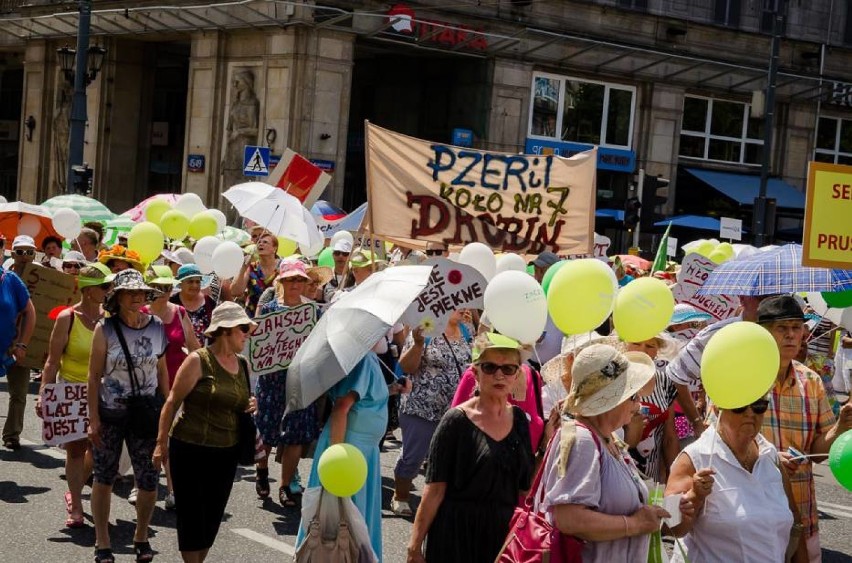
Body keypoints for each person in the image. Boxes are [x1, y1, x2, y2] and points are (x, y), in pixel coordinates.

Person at [533, 343, 684, 563]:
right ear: (611, 400)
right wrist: (635, 524)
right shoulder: (582, 440)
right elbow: (568, 518)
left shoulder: (607, 438)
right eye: (633, 396)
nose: (638, 405)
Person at [407, 333, 534, 563]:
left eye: (508, 369)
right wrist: (414, 548)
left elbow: (525, 487)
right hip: (456, 536)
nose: (499, 375)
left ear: (517, 375)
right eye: (489, 367)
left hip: (501, 538)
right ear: (475, 373)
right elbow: (434, 490)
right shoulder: (455, 421)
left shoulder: (519, 420)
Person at [152, 302, 257, 563]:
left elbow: (241, 399)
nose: (247, 334)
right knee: (191, 516)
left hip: (227, 451)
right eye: (242, 328)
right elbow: (172, 402)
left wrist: (250, 404)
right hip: (190, 448)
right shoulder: (198, 360)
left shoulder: (243, 364)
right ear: (225, 330)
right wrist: (160, 443)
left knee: (212, 517)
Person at [756, 295, 852, 562]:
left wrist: (840, 427)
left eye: (796, 327)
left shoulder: (811, 381)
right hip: (751, 512)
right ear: (762, 332)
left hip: (801, 510)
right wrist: (769, 457)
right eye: (781, 328)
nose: (790, 335)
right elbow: (717, 443)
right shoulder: (743, 374)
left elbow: (819, 454)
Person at [87, 269, 170, 563]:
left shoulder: (157, 326)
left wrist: (167, 411)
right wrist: (92, 417)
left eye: (141, 292)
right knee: (105, 476)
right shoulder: (105, 329)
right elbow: (94, 375)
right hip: (111, 411)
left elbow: (161, 371)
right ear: (118, 297)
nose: (137, 298)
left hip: (146, 412)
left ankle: (141, 536)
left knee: (148, 479)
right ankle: (102, 542)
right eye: (130, 292)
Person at [666, 395, 808, 562]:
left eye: (759, 405)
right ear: (718, 408)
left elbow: (795, 522)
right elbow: (668, 525)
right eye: (739, 406)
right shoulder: (695, 457)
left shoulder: (769, 455)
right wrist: (695, 497)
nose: (750, 413)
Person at [296, 343, 389, 559]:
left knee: (352, 515)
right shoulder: (363, 359)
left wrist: (393, 388)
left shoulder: (369, 357)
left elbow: (365, 398)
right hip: (350, 450)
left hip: (361, 450)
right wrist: (338, 459)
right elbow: (341, 407)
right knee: (342, 516)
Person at [37, 263, 112, 528]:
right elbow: (52, 361)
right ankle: (77, 505)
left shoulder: (110, 319)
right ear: (90, 290)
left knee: (100, 447)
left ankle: (75, 487)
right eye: (105, 286)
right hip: (71, 390)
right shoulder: (66, 318)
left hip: (104, 393)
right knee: (76, 449)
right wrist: (45, 393)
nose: (110, 290)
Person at [391, 310, 472, 516]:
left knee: (451, 458)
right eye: (458, 305)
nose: (464, 309)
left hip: (456, 410)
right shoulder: (425, 328)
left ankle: (442, 501)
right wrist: (418, 344)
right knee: (414, 456)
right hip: (422, 406)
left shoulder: (466, 330)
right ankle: (400, 496)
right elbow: (406, 366)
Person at [254, 260, 320, 505]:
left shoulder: (314, 311)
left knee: (294, 435)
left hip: (300, 382)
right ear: (281, 282)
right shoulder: (269, 309)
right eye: (290, 279)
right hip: (271, 381)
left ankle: (285, 485)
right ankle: (262, 472)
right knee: (266, 431)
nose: (295, 284)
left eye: (300, 279)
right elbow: (257, 343)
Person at [666, 294, 771, 437]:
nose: (769, 302)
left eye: (776, 297)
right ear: (742, 298)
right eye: (761, 298)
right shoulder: (719, 333)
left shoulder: (785, 335)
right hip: (723, 440)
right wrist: (696, 422)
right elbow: (676, 375)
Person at [142, 265, 201, 510]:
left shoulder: (179, 312)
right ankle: (142, 483)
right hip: (146, 384)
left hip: (177, 384)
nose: (163, 292)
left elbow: (194, 346)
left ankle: (174, 489)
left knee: (172, 437)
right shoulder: (141, 313)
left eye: (167, 287)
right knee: (147, 437)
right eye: (158, 287)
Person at [622, 334, 680, 482]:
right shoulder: (616, 381)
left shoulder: (664, 381)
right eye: (636, 343)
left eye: (650, 346)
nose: (643, 350)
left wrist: (673, 477)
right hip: (621, 471)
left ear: (657, 351)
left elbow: (670, 436)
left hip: (653, 477)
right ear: (625, 346)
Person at [2, 235, 37, 450]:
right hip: (3, 340)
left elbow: (33, 312)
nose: (25, 256)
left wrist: (24, 343)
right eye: (20, 251)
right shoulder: (6, 275)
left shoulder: (44, 277)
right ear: (12, 253)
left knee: (19, 392)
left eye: (29, 252)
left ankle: (12, 434)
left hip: (21, 344)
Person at [228, 231, 280, 317]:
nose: (260, 244)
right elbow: (235, 292)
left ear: (274, 248)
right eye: (259, 242)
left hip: (276, 317)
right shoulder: (251, 267)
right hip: (253, 317)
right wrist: (243, 269)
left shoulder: (283, 266)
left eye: (265, 242)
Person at [170, 264, 216, 345]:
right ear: (180, 283)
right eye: (190, 281)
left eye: (197, 282)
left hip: (205, 354)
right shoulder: (172, 302)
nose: (194, 285)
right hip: (178, 354)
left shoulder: (209, 302)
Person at [320, 238, 352, 303]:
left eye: (345, 254)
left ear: (350, 256)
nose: (340, 256)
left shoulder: (356, 276)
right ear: (333, 255)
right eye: (337, 253)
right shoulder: (325, 277)